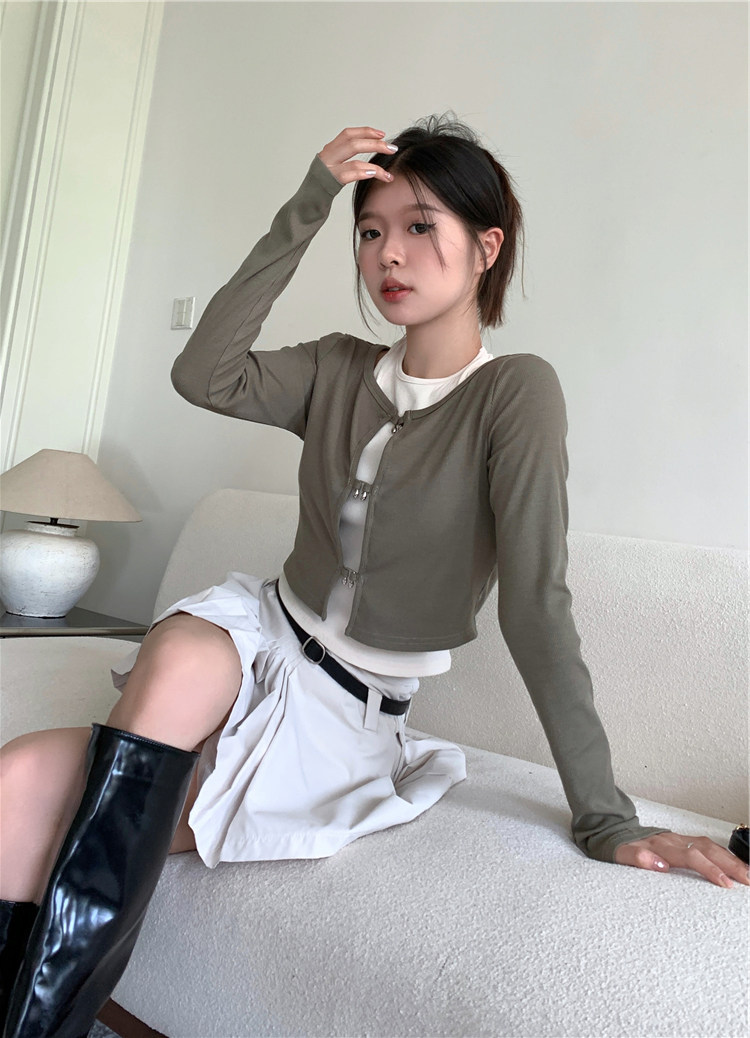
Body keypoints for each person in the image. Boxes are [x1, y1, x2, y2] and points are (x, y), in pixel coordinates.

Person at [1, 114, 747, 1035]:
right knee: (84, 728)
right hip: (257, 634)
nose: (389, 253)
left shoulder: (515, 394)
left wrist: (606, 816)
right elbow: (204, 375)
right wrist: (311, 200)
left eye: (421, 226)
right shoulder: (337, 369)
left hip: (343, 710)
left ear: (487, 248)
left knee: (31, 789)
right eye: (370, 230)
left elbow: (536, 605)